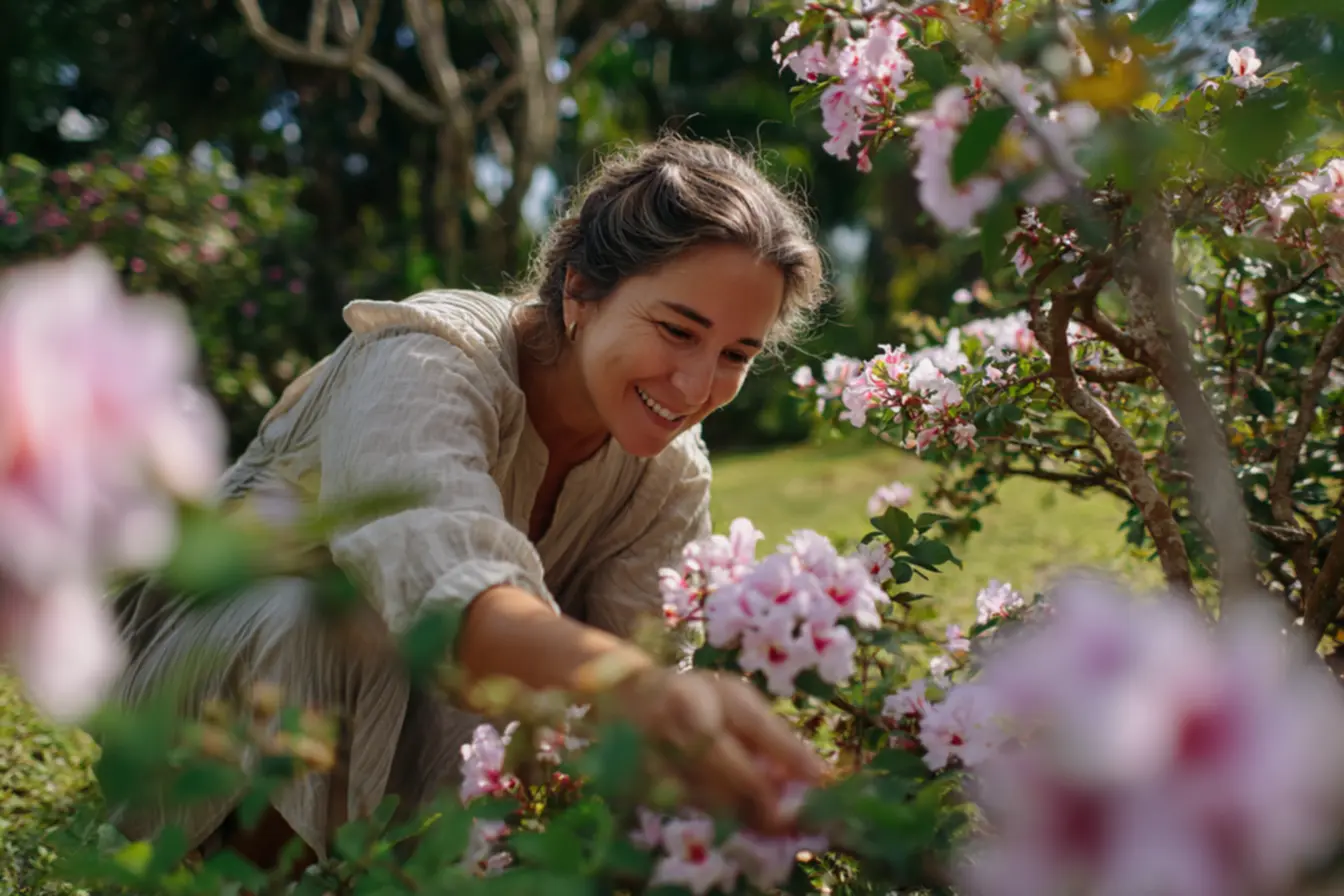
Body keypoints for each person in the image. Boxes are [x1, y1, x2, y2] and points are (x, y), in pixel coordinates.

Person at [107, 136, 830, 868]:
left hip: (411, 708)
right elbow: (445, 580)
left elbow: (640, 664)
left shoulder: (670, 475)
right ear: (580, 292)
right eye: (678, 331)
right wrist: (632, 687)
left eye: (737, 354)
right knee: (341, 626)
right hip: (208, 680)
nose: (697, 385)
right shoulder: (426, 356)